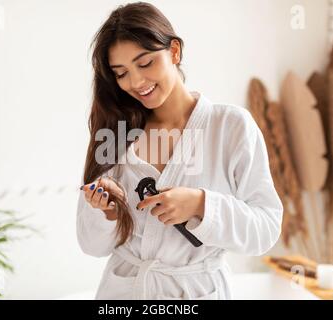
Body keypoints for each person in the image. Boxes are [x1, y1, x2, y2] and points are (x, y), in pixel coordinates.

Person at [77, 2, 283, 300]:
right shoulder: (116, 131)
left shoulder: (231, 126)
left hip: (196, 292)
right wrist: (108, 213)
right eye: (121, 73)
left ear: (174, 51)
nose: (135, 82)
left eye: (145, 63)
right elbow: (91, 246)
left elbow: (265, 229)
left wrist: (202, 205)